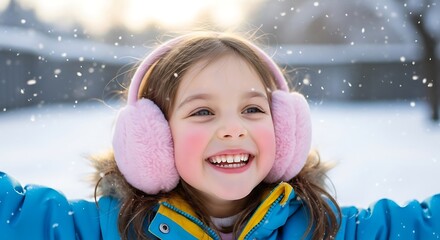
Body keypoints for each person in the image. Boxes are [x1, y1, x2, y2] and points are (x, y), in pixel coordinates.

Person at [0, 31, 439, 240]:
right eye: (203, 112)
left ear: (284, 132)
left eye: (252, 109)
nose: (234, 128)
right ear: (153, 140)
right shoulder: (106, 229)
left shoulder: (322, 229)